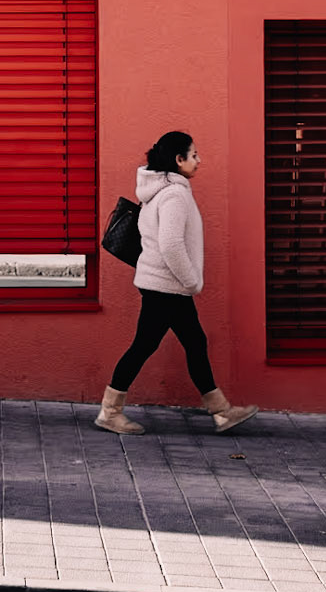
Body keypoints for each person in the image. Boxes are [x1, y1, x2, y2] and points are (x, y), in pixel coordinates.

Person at [95, 130, 256, 436]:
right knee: (145, 346)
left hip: (162, 285)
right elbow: (170, 244)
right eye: (194, 155)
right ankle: (110, 411)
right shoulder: (175, 195)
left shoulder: (159, 191)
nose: (199, 160)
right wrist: (192, 281)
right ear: (178, 160)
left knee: (194, 342)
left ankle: (221, 411)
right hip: (166, 287)